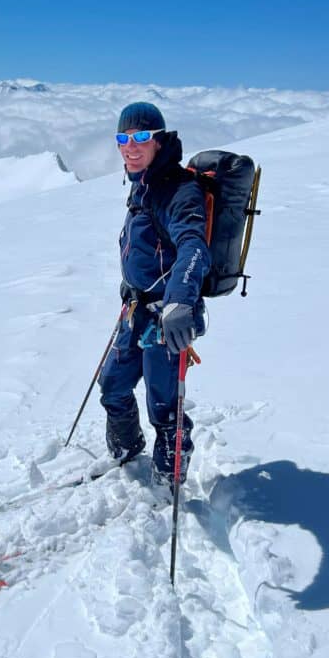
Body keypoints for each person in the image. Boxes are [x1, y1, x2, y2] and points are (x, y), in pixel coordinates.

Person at [99, 101, 211, 490]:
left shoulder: (179, 191)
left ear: (159, 141)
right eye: (123, 138)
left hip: (166, 319)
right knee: (112, 384)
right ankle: (127, 451)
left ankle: (168, 482)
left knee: (165, 407)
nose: (131, 146)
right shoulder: (142, 185)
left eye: (141, 137)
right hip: (136, 312)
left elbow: (194, 246)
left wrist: (179, 302)